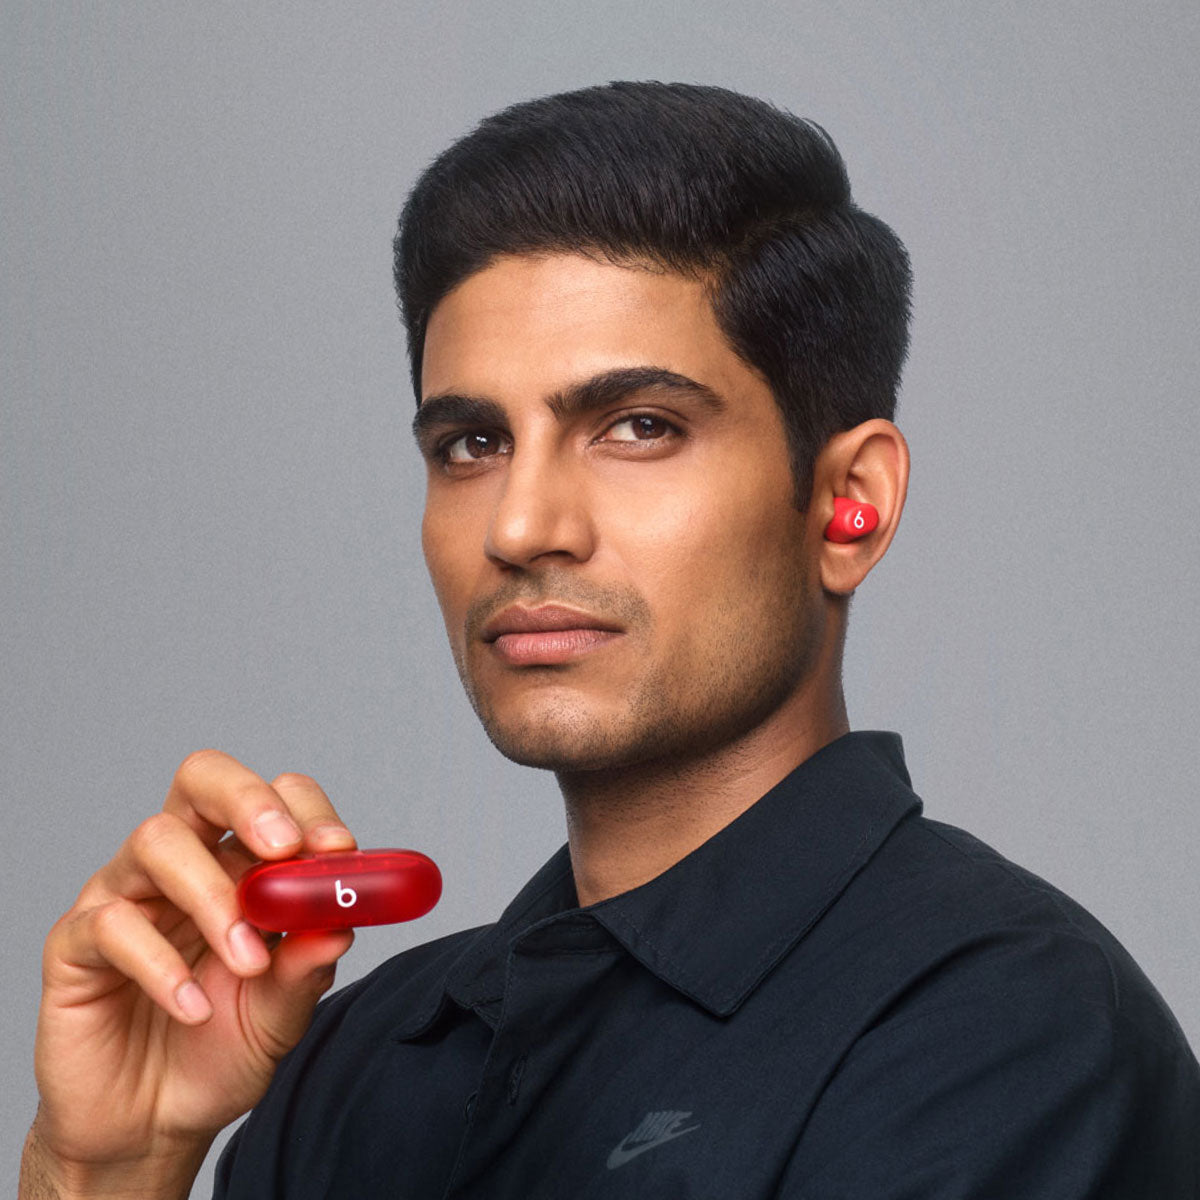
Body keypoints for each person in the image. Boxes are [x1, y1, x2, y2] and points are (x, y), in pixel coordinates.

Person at [20, 81, 1200, 1199]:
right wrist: (111, 1166)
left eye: (638, 426)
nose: (523, 526)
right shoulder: (350, 1061)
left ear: (851, 505)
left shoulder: (1010, 1030)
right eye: (471, 445)